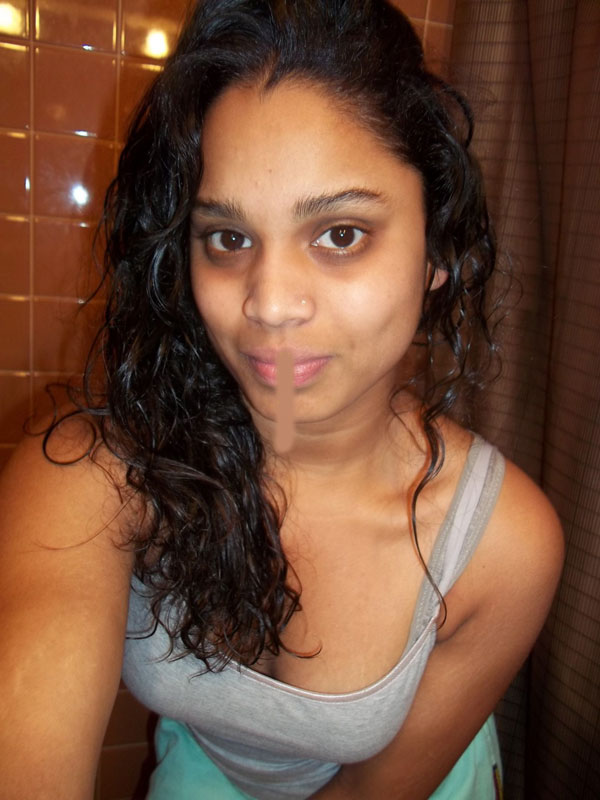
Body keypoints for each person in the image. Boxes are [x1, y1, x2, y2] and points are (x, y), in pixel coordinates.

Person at [0, 1, 564, 798]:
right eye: (228, 238)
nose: (268, 304)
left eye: (340, 234)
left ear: (436, 250)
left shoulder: (503, 547)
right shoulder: (95, 470)